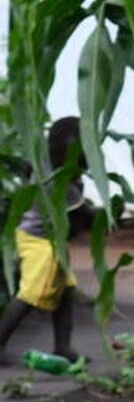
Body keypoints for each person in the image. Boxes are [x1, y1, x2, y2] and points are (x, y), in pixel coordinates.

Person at [0, 117, 90, 365]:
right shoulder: (61, 184)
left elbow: (28, 164)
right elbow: (85, 218)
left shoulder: (47, 158)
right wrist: (111, 215)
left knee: (65, 291)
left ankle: (63, 347)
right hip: (41, 242)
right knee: (30, 295)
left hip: (48, 239)